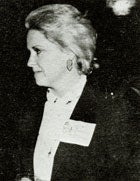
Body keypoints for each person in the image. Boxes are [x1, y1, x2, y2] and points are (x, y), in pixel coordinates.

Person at [24, 4, 138, 180]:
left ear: (70, 54)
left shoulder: (111, 113)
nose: (30, 62)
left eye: (38, 51)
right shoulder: (32, 109)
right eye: (29, 52)